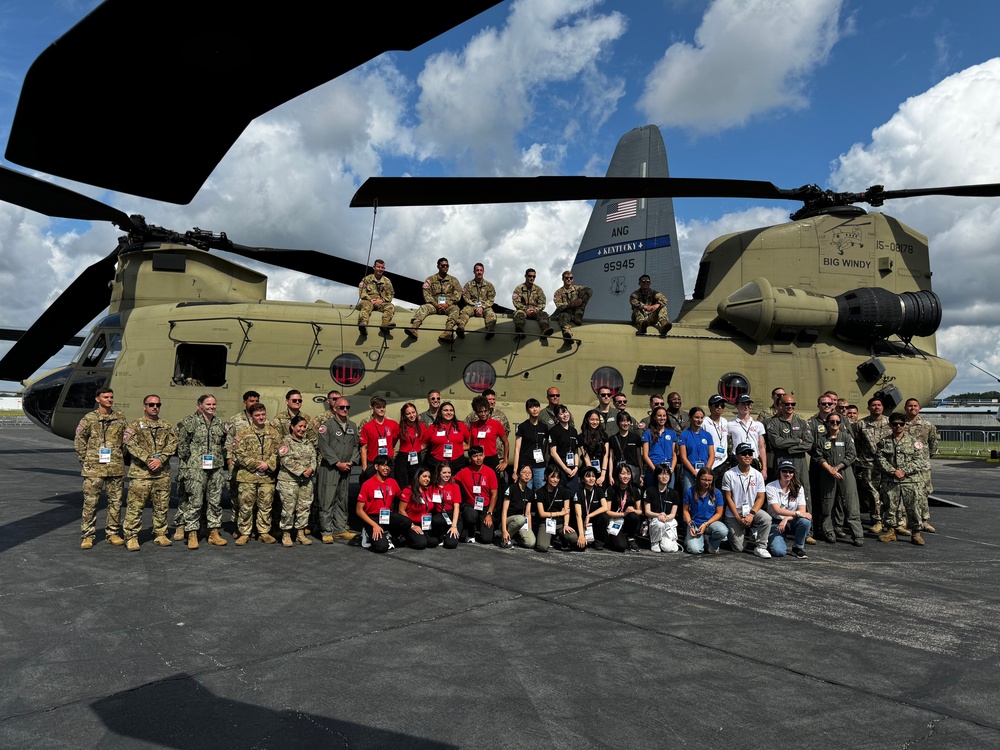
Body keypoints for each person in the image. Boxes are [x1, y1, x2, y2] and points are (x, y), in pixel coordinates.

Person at [122, 394, 177, 551]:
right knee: (135, 506)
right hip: (141, 474)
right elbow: (130, 444)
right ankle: (131, 536)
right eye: (151, 404)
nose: (155, 407)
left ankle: (160, 533)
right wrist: (148, 459)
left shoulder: (166, 426)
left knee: (161, 506)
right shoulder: (134, 426)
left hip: (161, 473)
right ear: (144, 406)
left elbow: (172, 444)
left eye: (158, 404)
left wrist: (161, 459)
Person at [74, 387, 128, 549]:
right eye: (106, 397)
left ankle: (112, 533)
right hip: (93, 468)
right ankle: (88, 535)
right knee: (90, 502)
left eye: (111, 397)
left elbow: (125, 441)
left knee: (116, 502)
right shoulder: (89, 419)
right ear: (98, 399)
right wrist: (86, 460)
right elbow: (79, 440)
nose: (109, 400)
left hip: (115, 468)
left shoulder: (120, 418)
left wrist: (118, 455)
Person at [176, 394, 229, 548]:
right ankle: (192, 532)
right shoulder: (188, 422)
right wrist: (190, 462)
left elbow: (224, 444)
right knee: (196, 501)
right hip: (195, 467)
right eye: (208, 404)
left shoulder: (219, 423)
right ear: (199, 405)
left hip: (216, 467)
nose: (212, 407)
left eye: (214, 404)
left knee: (214, 501)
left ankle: (213, 532)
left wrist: (219, 457)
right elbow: (182, 446)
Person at [874, 413, 929, 546]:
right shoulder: (883, 442)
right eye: (895, 424)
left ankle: (916, 533)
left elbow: (919, 460)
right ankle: (890, 531)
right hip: (890, 479)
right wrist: (893, 471)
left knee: (913, 506)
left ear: (905, 425)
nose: (898, 426)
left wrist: (903, 471)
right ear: (890, 425)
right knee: (890, 506)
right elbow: (879, 459)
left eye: (901, 424)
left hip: (910, 480)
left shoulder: (914, 442)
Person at [230, 403, 281, 545]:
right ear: (251, 416)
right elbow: (239, 453)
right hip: (248, 476)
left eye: (263, 414)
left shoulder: (273, 433)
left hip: (267, 477)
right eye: (257, 415)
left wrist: (268, 464)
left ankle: (263, 532)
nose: (261, 417)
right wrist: (256, 465)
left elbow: (279, 452)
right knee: (245, 505)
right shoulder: (243, 434)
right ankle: (244, 532)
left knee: (265, 505)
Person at [811, 411, 864, 545]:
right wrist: (830, 469)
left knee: (851, 502)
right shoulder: (822, 440)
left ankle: (857, 535)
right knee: (827, 503)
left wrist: (837, 467)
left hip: (845, 472)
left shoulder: (846, 437)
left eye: (837, 422)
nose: (835, 424)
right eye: (832, 422)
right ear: (827, 423)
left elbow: (852, 454)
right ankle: (828, 532)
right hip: (827, 473)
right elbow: (818, 456)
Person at [765, 394, 814, 524]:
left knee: (804, 492)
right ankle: (779, 524)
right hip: (782, 460)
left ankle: (807, 529)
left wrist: (790, 449)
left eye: (792, 404)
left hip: (800, 462)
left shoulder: (802, 423)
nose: (790, 407)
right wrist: (798, 440)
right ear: (780, 405)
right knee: (781, 491)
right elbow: (777, 442)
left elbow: (808, 443)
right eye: (787, 404)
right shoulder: (773, 424)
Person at [317, 396, 360, 543]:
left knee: (342, 498)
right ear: (335, 408)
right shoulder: (326, 426)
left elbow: (356, 446)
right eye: (342, 407)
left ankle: (340, 528)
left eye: (347, 407)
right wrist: (337, 463)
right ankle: (327, 530)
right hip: (330, 468)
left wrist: (352, 462)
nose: (345, 410)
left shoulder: (352, 426)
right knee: (327, 499)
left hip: (346, 468)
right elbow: (324, 447)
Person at [220, 389, 260, 540]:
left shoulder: (263, 420)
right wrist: (229, 460)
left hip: (254, 466)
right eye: (251, 401)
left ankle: (254, 526)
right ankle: (238, 525)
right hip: (237, 465)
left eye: (256, 401)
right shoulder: (235, 420)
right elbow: (228, 442)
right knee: (237, 497)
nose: (254, 404)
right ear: (245, 402)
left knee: (254, 497)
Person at [721, 443, 771, 558]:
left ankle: (761, 547)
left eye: (750, 453)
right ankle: (743, 532)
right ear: (737, 456)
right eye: (744, 454)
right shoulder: (729, 474)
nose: (747, 456)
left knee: (766, 518)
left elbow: (761, 498)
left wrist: (751, 515)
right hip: (735, 514)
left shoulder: (757, 475)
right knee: (739, 548)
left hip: (751, 510)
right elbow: (728, 498)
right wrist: (739, 518)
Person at [356, 455, 414, 552]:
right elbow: (359, 510)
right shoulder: (367, 484)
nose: (386, 468)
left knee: (406, 521)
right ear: (376, 467)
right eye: (383, 465)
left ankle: (389, 533)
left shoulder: (392, 482)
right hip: (372, 518)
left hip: (387, 516)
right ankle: (367, 532)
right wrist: (374, 525)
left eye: (388, 466)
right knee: (382, 547)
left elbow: (402, 496)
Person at [276, 415, 317, 546]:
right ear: (292, 427)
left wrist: (311, 469)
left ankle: (300, 533)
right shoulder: (285, 442)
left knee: (304, 507)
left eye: (304, 426)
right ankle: (286, 534)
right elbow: (285, 459)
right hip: (289, 481)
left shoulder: (308, 443)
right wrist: (302, 470)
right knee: (288, 508)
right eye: (299, 426)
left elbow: (314, 458)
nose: (302, 429)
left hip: (306, 481)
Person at [854, 396, 891, 534]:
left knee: (887, 492)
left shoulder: (890, 422)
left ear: (882, 407)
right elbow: (856, 442)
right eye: (874, 405)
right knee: (872, 493)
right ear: (869, 408)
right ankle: (877, 520)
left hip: (887, 464)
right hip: (869, 464)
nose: (877, 407)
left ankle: (891, 520)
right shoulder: (861, 424)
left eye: (879, 405)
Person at [903, 397, 939, 533]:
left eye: (915, 406)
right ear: (906, 408)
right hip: (905, 465)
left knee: (923, 493)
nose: (912, 408)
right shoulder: (900, 424)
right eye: (910, 406)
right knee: (905, 493)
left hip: (922, 466)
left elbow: (933, 442)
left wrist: (926, 457)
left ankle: (924, 520)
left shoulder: (927, 425)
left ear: (919, 408)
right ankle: (904, 520)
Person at [405, 257, 463, 342]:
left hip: (448, 306)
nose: (445, 267)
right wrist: (436, 304)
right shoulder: (430, 279)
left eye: (447, 266)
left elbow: (458, 293)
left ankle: (447, 332)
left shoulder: (454, 280)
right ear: (438, 266)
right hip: (434, 305)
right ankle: (414, 328)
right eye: (443, 265)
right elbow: (426, 292)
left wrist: (447, 304)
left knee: (456, 309)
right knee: (424, 307)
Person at [765, 459, 812, 558]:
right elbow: (777, 510)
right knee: (779, 552)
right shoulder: (771, 487)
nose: (788, 474)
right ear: (779, 472)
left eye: (791, 471)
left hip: (791, 520)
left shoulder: (798, 487)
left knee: (806, 521)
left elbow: (802, 511)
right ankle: (772, 540)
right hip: (776, 521)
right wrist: (796, 514)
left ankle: (797, 547)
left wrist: (786, 518)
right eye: (784, 471)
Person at [454, 446, 498, 544]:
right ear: (470, 458)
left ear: (484, 456)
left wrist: (489, 514)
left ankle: (481, 526)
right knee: (470, 516)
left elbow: (494, 495)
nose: (478, 458)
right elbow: (450, 480)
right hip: (470, 506)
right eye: (475, 456)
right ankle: (470, 530)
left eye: (480, 455)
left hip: (485, 507)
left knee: (487, 539)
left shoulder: (490, 472)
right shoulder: (464, 472)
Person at [534, 465, 579, 552]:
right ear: (546, 476)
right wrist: (559, 513)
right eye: (553, 477)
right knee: (542, 547)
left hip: (560, 524)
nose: (555, 480)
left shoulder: (564, 492)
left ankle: (557, 538)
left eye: (558, 477)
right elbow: (542, 513)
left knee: (573, 538)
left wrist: (566, 524)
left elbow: (566, 511)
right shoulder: (540, 492)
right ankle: (551, 537)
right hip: (546, 522)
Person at [683, 468, 727, 555]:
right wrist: (690, 525)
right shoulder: (690, 491)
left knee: (723, 530)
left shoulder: (717, 493)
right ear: (698, 479)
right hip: (695, 523)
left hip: (710, 523)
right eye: (704, 479)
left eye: (709, 480)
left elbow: (719, 513)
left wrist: (706, 524)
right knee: (695, 550)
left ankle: (711, 544)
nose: (707, 483)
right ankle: (692, 539)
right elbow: (685, 510)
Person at [358, 396, 400, 482]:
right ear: (372, 408)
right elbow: (364, 448)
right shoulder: (367, 426)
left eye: (383, 407)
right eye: (378, 407)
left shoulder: (393, 424)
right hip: (373, 463)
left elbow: (394, 440)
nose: (382, 409)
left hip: (388, 464)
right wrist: (365, 466)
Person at [603, 464, 643, 552]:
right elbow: (607, 511)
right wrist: (623, 514)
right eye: (623, 474)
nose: (626, 476)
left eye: (628, 474)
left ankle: (631, 538)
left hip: (627, 521)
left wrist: (634, 510)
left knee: (634, 516)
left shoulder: (635, 489)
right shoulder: (611, 490)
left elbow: (640, 511)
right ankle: (613, 537)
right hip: (615, 520)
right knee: (621, 547)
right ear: (617, 474)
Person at [512, 398, 549, 490]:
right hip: (525, 464)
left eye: (536, 406)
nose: (534, 409)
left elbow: (544, 446)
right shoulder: (522, 426)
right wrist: (515, 470)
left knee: (540, 489)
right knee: (526, 490)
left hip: (539, 464)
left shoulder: (544, 427)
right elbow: (517, 449)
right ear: (527, 410)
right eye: (531, 407)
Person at [468, 395, 509, 477]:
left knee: (492, 486)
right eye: (480, 412)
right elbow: (471, 444)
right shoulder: (473, 425)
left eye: (486, 411)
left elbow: (506, 442)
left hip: (491, 459)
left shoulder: (496, 424)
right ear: (476, 412)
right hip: (477, 459)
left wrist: (505, 461)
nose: (483, 414)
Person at [422, 401, 470, 472]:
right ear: (440, 412)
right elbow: (423, 445)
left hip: (457, 463)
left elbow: (470, 443)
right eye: (445, 410)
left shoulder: (461, 426)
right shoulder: (432, 428)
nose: (449, 412)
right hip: (436, 464)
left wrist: (458, 448)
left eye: (451, 410)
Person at [400, 467, 440, 549]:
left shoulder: (429, 490)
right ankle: (403, 538)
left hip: (425, 524)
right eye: (424, 476)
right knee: (421, 544)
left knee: (433, 542)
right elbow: (401, 510)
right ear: (417, 477)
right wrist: (412, 525)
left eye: (429, 477)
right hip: (411, 524)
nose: (427, 479)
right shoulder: (408, 491)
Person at [677, 407, 714, 496]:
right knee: (689, 496)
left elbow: (712, 455)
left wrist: (706, 471)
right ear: (690, 418)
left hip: (705, 473)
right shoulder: (684, 435)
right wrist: (694, 472)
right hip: (689, 473)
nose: (699, 420)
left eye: (701, 418)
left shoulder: (707, 435)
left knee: (705, 496)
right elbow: (683, 457)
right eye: (696, 417)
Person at [643, 463, 679, 553]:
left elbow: (673, 514)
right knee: (660, 524)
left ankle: (670, 540)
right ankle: (654, 541)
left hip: (667, 521)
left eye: (667, 474)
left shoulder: (674, 493)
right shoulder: (649, 491)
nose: (664, 476)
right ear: (656, 476)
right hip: (655, 520)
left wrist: (666, 517)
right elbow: (647, 512)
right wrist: (659, 515)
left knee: (668, 549)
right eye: (661, 474)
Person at [728, 394, 767, 477]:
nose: (746, 407)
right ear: (736, 406)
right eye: (743, 404)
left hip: (753, 460)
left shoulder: (758, 425)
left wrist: (764, 469)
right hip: (738, 460)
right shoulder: (730, 424)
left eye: (748, 404)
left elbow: (761, 447)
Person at [456, 262, 497, 339]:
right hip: (472, 306)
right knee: (464, 311)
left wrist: (482, 307)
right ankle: (460, 328)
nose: (479, 272)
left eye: (481, 270)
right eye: (477, 270)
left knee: (491, 314)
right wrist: (476, 307)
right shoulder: (468, 285)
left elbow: (491, 299)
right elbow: (466, 298)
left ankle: (490, 331)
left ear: (483, 272)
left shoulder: (489, 286)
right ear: (474, 272)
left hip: (485, 307)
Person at [501, 465, 537, 549]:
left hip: (521, 523)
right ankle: (505, 537)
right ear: (518, 474)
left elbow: (528, 513)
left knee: (531, 543)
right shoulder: (511, 488)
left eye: (529, 473)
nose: (527, 475)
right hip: (509, 520)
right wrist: (504, 530)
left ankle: (515, 537)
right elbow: (504, 511)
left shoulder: (530, 492)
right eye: (524, 472)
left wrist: (529, 530)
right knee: (521, 519)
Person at [356, 258, 396, 336]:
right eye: (378, 267)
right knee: (367, 305)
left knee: (390, 306)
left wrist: (381, 300)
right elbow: (362, 293)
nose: (380, 269)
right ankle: (363, 325)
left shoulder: (387, 281)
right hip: (368, 301)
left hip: (380, 303)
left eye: (382, 267)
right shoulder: (366, 279)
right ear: (374, 267)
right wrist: (371, 300)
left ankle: (385, 324)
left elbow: (391, 294)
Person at [511, 268, 553, 339]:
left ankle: (545, 330)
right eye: (530, 276)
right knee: (518, 314)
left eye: (534, 277)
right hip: (523, 311)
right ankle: (520, 331)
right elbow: (516, 302)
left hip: (535, 311)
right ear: (525, 276)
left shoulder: (538, 289)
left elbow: (542, 302)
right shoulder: (519, 289)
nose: (532, 278)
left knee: (543, 314)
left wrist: (535, 310)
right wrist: (526, 310)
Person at [641, 406, 677, 489]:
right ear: (654, 417)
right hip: (653, 469)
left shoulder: (672, 433)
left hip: (668, 470)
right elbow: (645, 455)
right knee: (653, 495)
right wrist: (655, 470)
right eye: (659, 416)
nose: (662, 418)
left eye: (664, 416)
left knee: (668, 496)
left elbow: (674, 454)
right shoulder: (647, 433)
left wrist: (672, 468)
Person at [547, 404, 581, 493]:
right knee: (560, 493)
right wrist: (565, 468)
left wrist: (576, 467)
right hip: (559, 467)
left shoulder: (573, 431)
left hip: (572, 468)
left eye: (566, 412)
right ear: (557, 417)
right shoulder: (554, 431)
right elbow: (553, 452)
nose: (565, 415)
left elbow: (576, 451)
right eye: (561, 414)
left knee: (573, 493)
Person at [573, 465, 608, 550]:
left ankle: (598, 542)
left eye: (593, 476)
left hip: (593, 522)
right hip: (582, 524)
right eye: (588, 476)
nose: (591, 479)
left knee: (604, 516)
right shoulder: (578, 493)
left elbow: (605, 507)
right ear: (582, 479)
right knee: (581, 548)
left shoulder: (599, 491)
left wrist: (589, 515)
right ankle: (584, 537)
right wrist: (581, 535)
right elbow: (578, 515)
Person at [428, 462, 461, 549]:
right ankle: (441, 536)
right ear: (439, 473)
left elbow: (457, 507)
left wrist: (454, 526)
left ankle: (450, 532)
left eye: (449, 473)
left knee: (451, 544)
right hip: (439, 515)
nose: (447, 475)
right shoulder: (432, 488)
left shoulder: (455, 486)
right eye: (444, 473)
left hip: (452, 515)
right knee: (436, 520)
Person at [552, 270, 592, 340]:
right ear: (563, 279)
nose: (569, 280)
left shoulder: (577, 289)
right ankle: (567, 333)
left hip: (577, 311)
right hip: (567, 313)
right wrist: (572, 304)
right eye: (566, 278)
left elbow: (589, 290)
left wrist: (581, 299)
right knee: (563, 316)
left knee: (585, 292)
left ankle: (578, 316)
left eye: (571, 278)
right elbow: (559, 306)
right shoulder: (558, 292)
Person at [394, 402, 425, 488]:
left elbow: (426, 440)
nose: (411, 415)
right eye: (408, 413)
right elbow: (393, 442)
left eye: (413, 412)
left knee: (415, 483)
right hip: (403, 457)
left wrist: (420, 447)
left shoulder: (422, 427)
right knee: (402, 484)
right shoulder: (399, 428)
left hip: (416, 457)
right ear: (404, 416)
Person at [609, 411, 643, 486]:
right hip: (619, 472)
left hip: (633, 473)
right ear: (618, 422)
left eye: (628, 421)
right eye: (623, 421)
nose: (626, 423)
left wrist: (641, 474)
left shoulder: (635, 438)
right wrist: (610, 476)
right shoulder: (613, 438)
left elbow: (639, 457)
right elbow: (611, 459)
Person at [579, 409, 610, 486]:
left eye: (597, 420)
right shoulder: (581, 437)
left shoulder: (604, 435)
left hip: (603, 469)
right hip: (588, 470)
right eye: (592, 419)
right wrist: (592, 476)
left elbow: (606, 456)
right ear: (587, 420)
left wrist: (602, 475)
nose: (595, 422)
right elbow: (586, 457)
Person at [705, 395, 731, 484]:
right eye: (716, 405)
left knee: (721, 491)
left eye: (722, 406)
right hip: (710, 461)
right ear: (710, 406)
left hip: (723, 461)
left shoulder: (725, 422)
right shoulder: (705, 422)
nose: (719, 407)